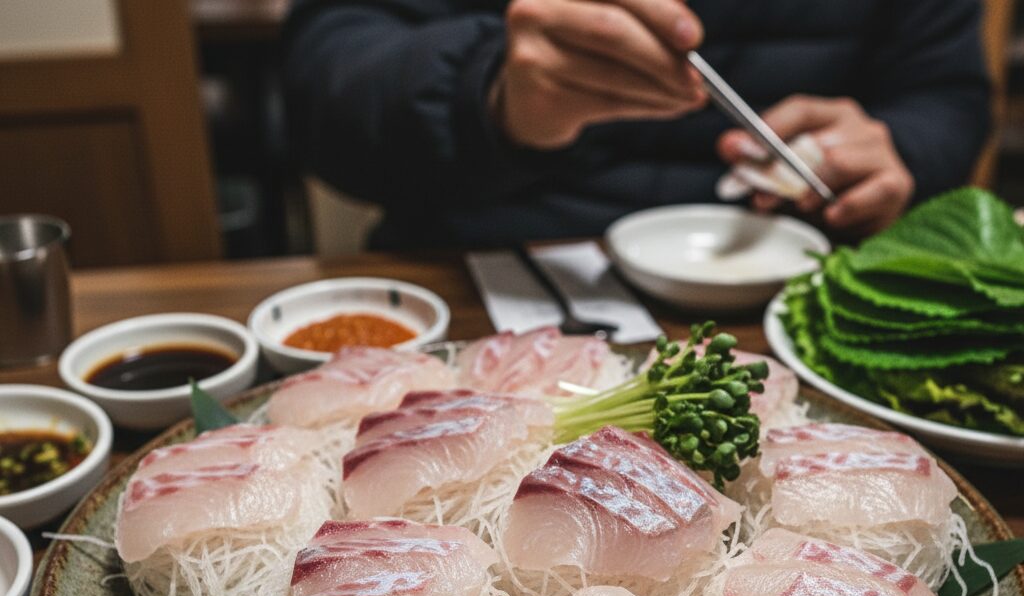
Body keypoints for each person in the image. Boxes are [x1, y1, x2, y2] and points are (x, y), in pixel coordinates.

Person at [283, 0, 991, 249]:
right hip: (486, 265)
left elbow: (948, 97)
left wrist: (895, 149)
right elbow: (323, 87)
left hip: (795, 291)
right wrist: (485, 91)